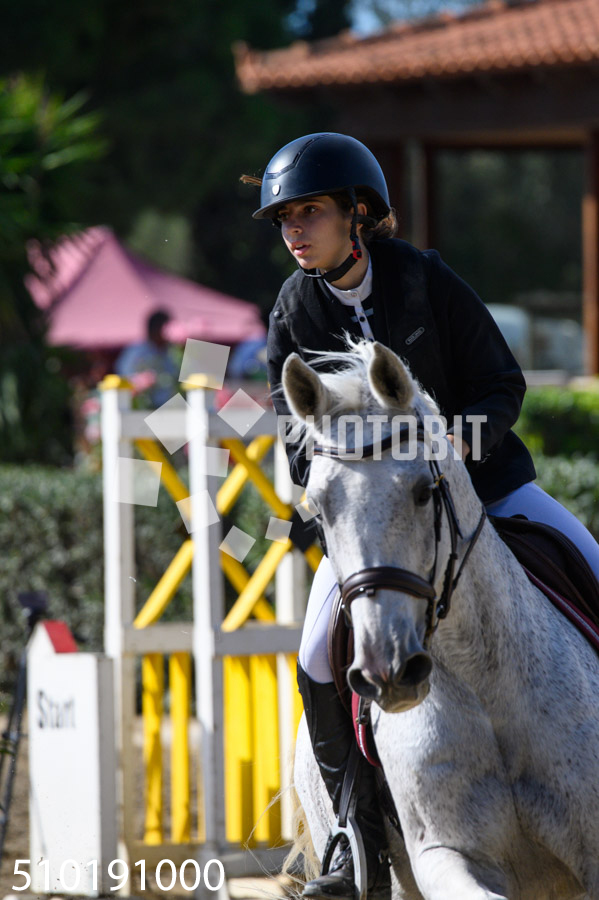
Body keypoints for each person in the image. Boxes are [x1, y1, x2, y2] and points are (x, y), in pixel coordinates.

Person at [245, 132, 599, 900]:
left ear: (357, 212)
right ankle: (352, 842)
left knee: (595, 566)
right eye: (283, 220)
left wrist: (454, 449)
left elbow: (501, 384)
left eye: (309, 212)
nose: (294, 230)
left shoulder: (423, 279)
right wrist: (340, 485)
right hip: (377, 525)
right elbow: (295, 441)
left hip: (485, 488)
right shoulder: (293, 311)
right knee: (314, 655)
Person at [116, 309, 179, 407]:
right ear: (155, 329)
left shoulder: (173, 352)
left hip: (169, 407)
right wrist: (140, 382)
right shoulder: (137, 351)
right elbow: (124, 374)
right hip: (143, 408)